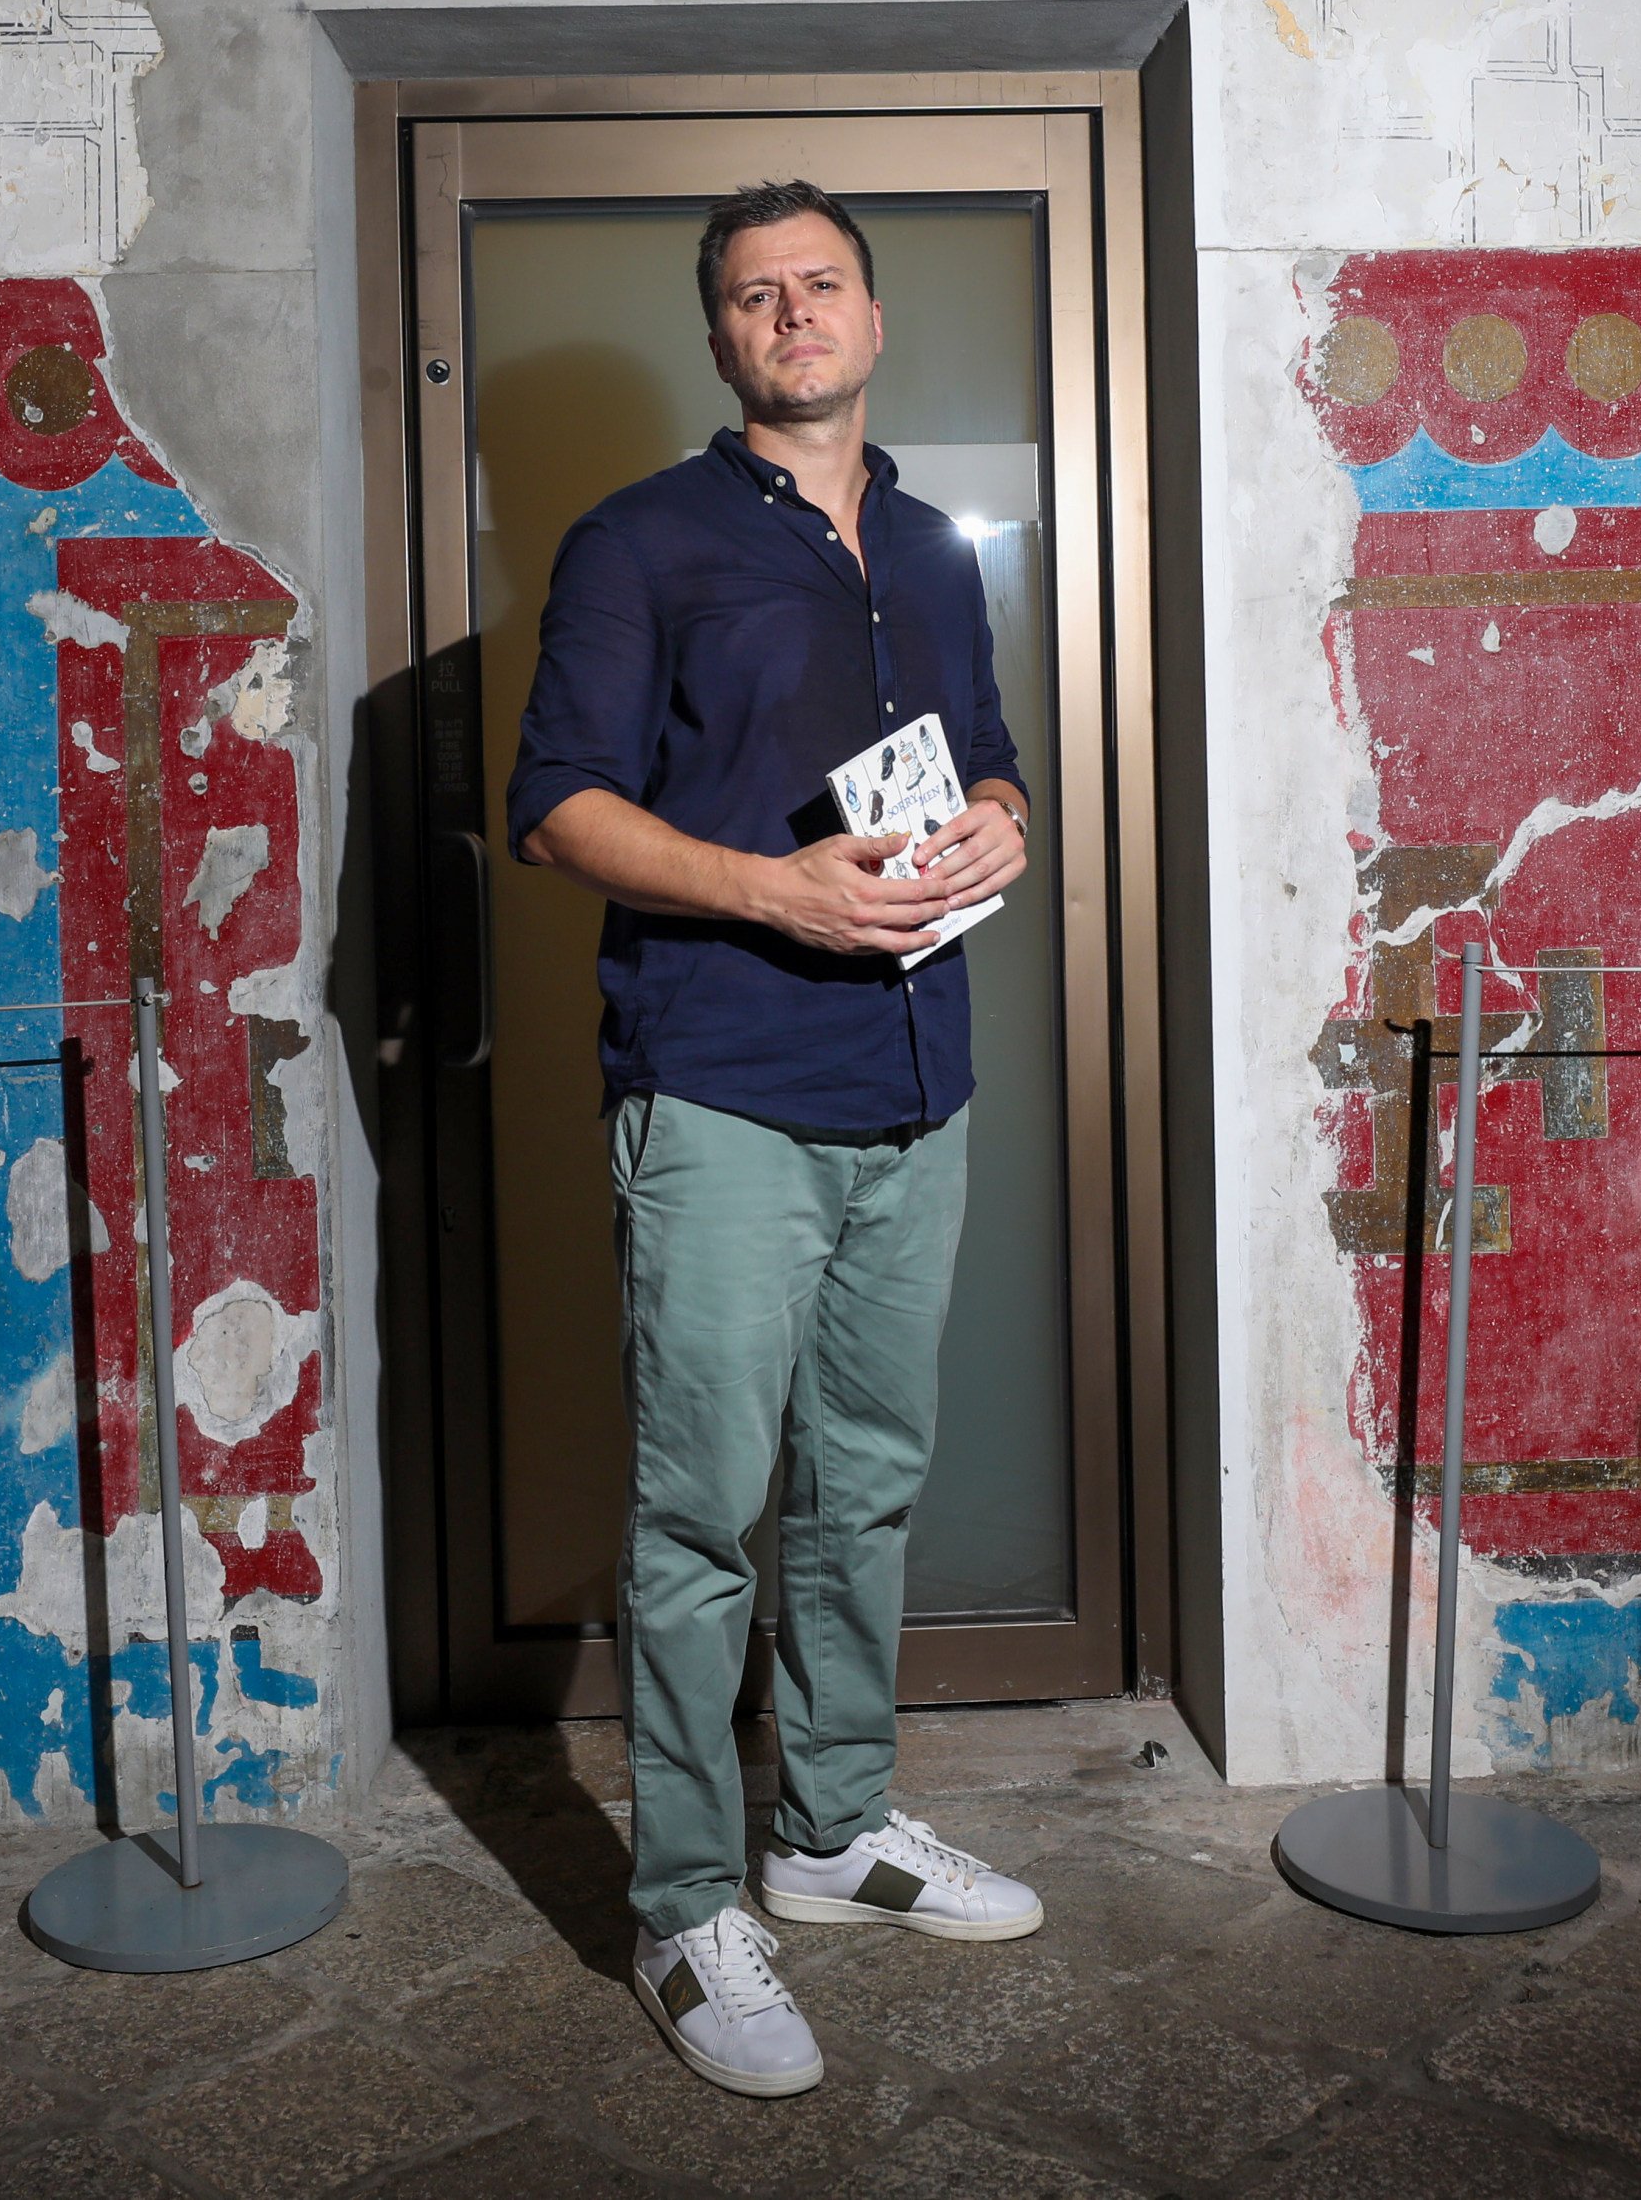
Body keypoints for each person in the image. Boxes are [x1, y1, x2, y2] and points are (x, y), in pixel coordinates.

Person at [505, 180, 1047, 2098]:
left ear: (873, 320)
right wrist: (772, 892)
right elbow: (557, 806)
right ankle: (682, 1902)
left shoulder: (925, 544)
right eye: (755, 294)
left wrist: (999, 819)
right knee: (694, 1512)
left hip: (919, 1079)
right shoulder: (636, 539)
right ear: (721, 338)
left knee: (867, 1479)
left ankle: (830, 1835)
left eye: (820, 284)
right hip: (724, 1079)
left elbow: (985, 751)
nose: (791, 313)